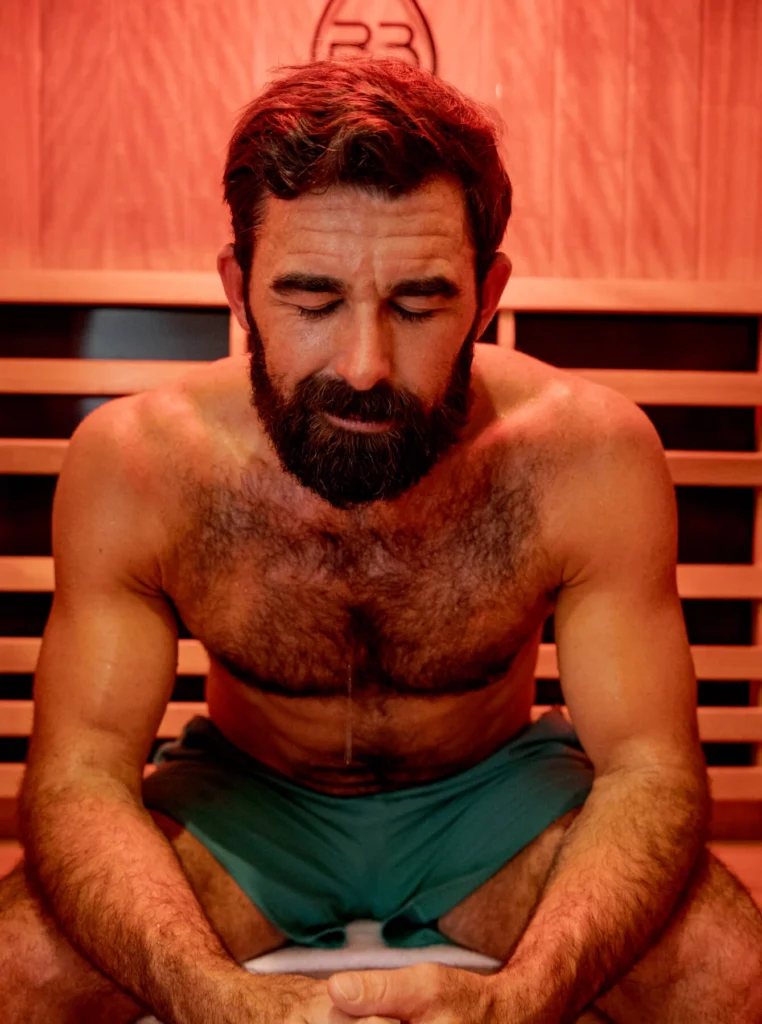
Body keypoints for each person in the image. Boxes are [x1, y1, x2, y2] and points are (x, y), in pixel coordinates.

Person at [1, 57, 760, 1024]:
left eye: (419, 304)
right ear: (238, 287)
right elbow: (81, 772)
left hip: (495, 803)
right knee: (16, 971)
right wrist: (210, 999)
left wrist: (524, 1002)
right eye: (311, 300)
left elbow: (649, 768)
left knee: (731, 976)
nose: (364, 365)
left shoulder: (590, 455)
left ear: (487, 294)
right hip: (248, 806)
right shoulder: (137, 463)